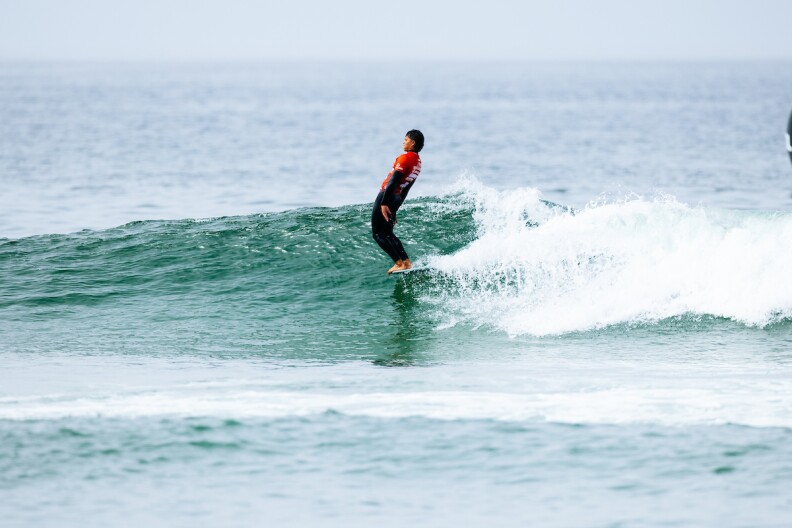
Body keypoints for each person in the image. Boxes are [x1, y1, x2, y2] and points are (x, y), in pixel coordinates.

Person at [372, 130, 424, 274]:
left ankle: (399, 262)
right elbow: (407, 187)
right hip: (396, 198)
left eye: (406, 139)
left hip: (387, 195)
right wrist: (395, 207)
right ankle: (406, 262)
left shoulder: (405, 158)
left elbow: (393, 181)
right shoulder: (418, 163)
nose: (403, 141)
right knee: (388, 233)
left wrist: (384, 202)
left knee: (377, 234)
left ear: (413, 142)